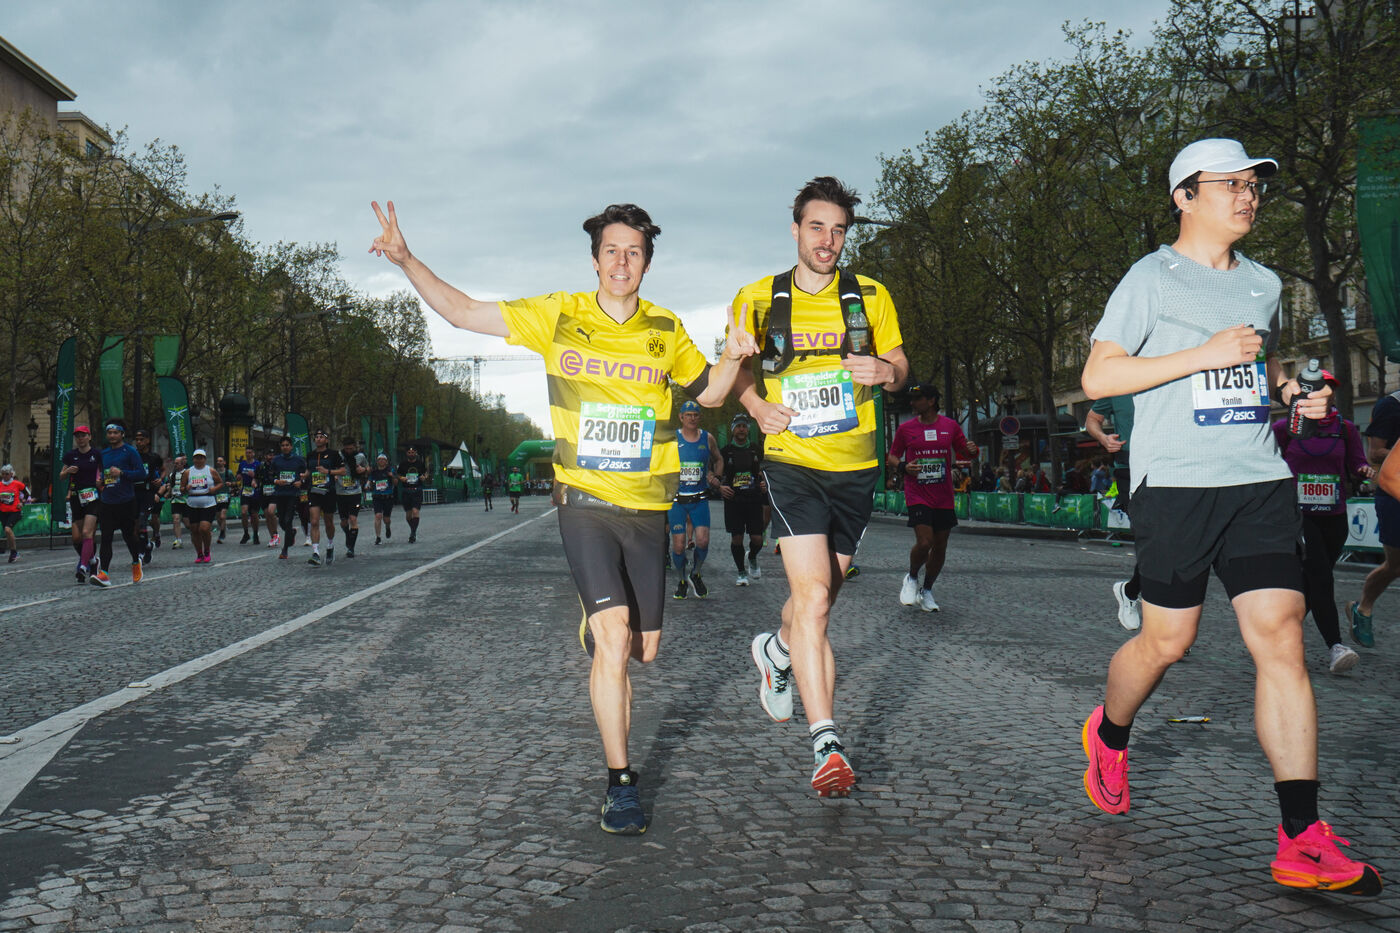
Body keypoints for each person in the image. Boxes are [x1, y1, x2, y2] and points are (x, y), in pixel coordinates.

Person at [370, 197, 754, 835]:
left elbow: (710, 392)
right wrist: (406, 259)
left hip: (648, 507)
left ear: (646, 263)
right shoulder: (559, 314)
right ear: (595, 260)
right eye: (611, 251)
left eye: (633, 252)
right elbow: (464, 312)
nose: (621, 262)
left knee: (643, 650)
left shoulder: (665, 328)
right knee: (614, 639)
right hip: (584, 502)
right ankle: (620, 783)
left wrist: (734, 355)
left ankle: (603, 623)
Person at [1079, 138, 1380, 895]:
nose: (1247, 196)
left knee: (1280, 636)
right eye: (1230, 184)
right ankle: (1109, 733)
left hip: (1257, 479)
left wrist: (1291, 395)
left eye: (1254, 185)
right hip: (1175, 484)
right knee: (1167, 641)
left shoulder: (1264, 283)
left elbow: (1251, 366)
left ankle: (1301, 835)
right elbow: (1100, 374)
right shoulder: (1150, 277)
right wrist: (1200, 354)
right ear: (1184, 196)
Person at [731, 176, 909, 798]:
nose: (827, 241)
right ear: (795, 230)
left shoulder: (870, 295)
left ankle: (777, 650)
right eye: (816, 228)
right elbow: (737, 372)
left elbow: (900, 366)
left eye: (838, 230)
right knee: (812, 600)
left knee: (819, 599)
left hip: (855, 468)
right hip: (792, 463)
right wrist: (757, 407)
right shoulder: (757, 298)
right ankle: (826, 742)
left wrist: (886, 371)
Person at [1271, 371, 1370, 674]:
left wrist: (1364, 471)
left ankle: (1275, 636)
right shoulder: (1284, 428)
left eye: (1327, 389)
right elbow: (1265, 463)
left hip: (1334, 516)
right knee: (1321, 577)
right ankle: (1335, 646)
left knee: (1312, 581)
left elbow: (1356, 463)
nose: (1321, 393)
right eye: (1314, 389)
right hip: (1298, 516)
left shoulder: (1345, 428)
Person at [888, 384, 978, 612]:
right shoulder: (906, 429)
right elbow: (892, 456)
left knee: (940, 546)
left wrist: (972, 450)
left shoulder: (950, 426)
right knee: (925, 542)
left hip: (943, 495)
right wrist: (903, 467)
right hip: (917, 492)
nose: (912, 403)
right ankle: (911, 577)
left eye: (917, 398)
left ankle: (926, 590)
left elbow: (964, 451)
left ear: (931, 401)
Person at [1345, 384, 1400, 648]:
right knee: (1396, 565)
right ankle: (1363, 607)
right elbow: (1375, 453)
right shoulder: (1391, 406)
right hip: (1392, 494)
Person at [1086, 396, 1144, 631]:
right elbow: (1091, 419)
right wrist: (1103, 438)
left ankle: (1131, 591)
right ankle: (1166, 626)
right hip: (1129, 469)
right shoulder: (1118, 386)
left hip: (1167, 466)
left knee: (1173, 542)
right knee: (1151, 538)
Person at [668, 399, 722, 599]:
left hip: (699, 499)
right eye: (688, 415)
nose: (692, 418)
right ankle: (682, 580)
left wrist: (717, 477)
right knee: (679, 545)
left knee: (703, 540)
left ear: (700, 417)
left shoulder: (707, 438)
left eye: (695, 415)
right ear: (681, 417)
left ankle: (696, 573)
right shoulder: (673, 439)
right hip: (677, 500)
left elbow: (718, 459)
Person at [94, 421, 147, 586]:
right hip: (107, 500)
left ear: (122, 434)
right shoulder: (103, 454)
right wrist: (101, 481)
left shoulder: (130, 451)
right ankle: (104, 573)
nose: (112, 435)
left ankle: (136, 562)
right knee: (106, 537)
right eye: (109, 433)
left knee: (128, 536)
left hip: (126, 500)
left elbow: (141, 473)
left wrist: (122, 473)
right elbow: (103, 475)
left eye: (115, 433)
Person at [720, 412, 766, 586]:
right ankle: (741, 572)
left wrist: (765, 483)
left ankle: (752, 557)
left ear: (748, 429)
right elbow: (716, 472)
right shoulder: (725, 452)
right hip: (734, 501)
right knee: (737, 538)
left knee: (757, 539)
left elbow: (766, 470)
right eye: (738, 426)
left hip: (753, 499)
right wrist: (720, 487)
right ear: (733, 430)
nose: (741, 429)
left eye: (744, 427)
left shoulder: (756, 449)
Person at [59, 425, 102, 583]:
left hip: (93, 497)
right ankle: (93, 561)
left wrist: (101, 481)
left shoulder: (96, 454)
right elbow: (61, 476)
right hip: (76, 497)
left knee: (86, 532)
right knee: (77, 538)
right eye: (77, 436)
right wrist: (67, 471)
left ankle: (83, 567)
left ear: (89, 437)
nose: (80, 438)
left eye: (83, 435)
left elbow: (104, 472)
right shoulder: (71, 455)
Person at [306, 429, 345, 566]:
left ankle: (330, 544)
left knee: (328, 521)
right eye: (316, 437)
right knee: (314, 521)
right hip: (314, 491)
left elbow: (343, 471)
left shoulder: (334, 454)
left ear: (326, 440)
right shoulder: (310, 455)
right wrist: (304, 476)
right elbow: (308, 470)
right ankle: (315, 552)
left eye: (321, 437)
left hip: (328, 491)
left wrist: (327, 471)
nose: (318, 439)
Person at [181, 448, 224, 564]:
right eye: (196, 458)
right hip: (192, 503)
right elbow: (182, 489)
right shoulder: (188, 472)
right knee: (194, 530)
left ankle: (207, 550)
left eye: (201, 458)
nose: (198, 460)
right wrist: (186, 488)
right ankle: (199, 553)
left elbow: (220, 483)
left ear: (204, 459)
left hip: (208, 503)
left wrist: (214, 489)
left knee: (204, 528)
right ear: (193, 459)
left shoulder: (210, 470)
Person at [268, 437, 306, 559]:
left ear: (291, 446)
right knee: (282, 522)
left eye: (287, 445)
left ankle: (285, 550)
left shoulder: (299, 460)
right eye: (283, 445)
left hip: (293, 494)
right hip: (280, 493)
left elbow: (306, 474)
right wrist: (276, 480)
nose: (285, 447)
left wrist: (301, 482)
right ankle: (291, 532)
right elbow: (270, 474)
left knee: (288, 520)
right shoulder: (276, 460)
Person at [132, 429, 164, 561]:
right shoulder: (132, 455)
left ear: (148, 441)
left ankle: (140, 552)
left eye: (142, 440)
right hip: (134, 492)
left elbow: (163, 469)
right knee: (134, 527)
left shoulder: (153, 457)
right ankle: (147, 546)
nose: (139, 442)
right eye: (137, 440)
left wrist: (160, 479)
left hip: (148, 492)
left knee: (142, 520)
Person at [337, 437, 368, 558]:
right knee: (344, 521)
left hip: (355, 492)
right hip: (341, 493)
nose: (348, 451)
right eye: (346, 448)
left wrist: (363, 469)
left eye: (351, 448)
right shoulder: (338, 456)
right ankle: (348, 534)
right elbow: (332, 469)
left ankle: (351, 548)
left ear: (354, 447)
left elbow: (368, 468)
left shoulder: (360, 456)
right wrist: (335, 474)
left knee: (353, 519)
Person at [397, 446, 430, 542]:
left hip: (417, 489)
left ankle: (413, 533)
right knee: (408, 515)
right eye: (409, 452)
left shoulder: (420, 463)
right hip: (406, 490)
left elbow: (426, 473)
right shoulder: (403, 464)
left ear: (415, 453)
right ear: (406, 453)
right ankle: (413, 529)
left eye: (413, 452)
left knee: (415, 511)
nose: (411, 454)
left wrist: (424, 477)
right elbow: (398, 474)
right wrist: (401, 478)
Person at [0, 464, 30, 562]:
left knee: (7, 529)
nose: (5, 476)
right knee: (7, 532)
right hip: (3, 512)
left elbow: (27, 493)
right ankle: (13, 552)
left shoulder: (17, 484)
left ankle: (14, 552)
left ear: (11, 474)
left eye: (7, 474)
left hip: (15, 511)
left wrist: (22, 503)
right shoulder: (0, 485)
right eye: (3, 474)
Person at [160, 455, 189, 551]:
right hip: (175, 500)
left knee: (188, 523)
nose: (175, 465)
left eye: (177, 463)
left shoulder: (187, 473)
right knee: (176, 519)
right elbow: (170, 486)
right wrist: (168, 493)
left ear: (182, 464)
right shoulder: (172, 475)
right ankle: (178, 540)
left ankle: (197, 534)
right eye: (175, 463)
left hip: (186, 501)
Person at [236, 446, 263, 545]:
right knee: (244, 512)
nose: (248, 454)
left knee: (254, 514)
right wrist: (238, 477)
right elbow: (238, 475)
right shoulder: (242, 464)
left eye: (250, 452)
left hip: (255, 491)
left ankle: (255, 534)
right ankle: (246, 533)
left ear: (253, 454)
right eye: (247, 452)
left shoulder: (258, 464)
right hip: (245, 490)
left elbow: (262, 477)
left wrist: (254, 476)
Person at [369, 454, 397, 544]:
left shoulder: (390, 470)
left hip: (388, 497)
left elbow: (396, 483)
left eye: (383, 459)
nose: (381, 461)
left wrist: (392, 476)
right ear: (377, 462)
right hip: (377, 496)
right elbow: (370, 482)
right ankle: (378, 537)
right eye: (379, 460)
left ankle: (387, 526)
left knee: (386, 519)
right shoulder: (374, 471)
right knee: (378, 516)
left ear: (386, 461)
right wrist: (369, 486)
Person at [259, 447, 281, 549]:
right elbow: (256, 478)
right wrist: (254, 482)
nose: (271, 457)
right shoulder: (261, 467)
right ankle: (272, 537)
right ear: (265, 456)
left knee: (271, 512)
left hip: (274, 492)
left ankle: (276, 533)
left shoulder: (278, 466)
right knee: (267, 515)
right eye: (269, 455)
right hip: (264, 493)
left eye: (273, 455)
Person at [213, 455, 235, 544]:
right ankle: (223, 528)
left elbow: (234, 483)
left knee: (222, 515)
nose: (219, 462)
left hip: (226, 496)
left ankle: (222, 533)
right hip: (216, 496)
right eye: (218, 461)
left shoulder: (228, 472)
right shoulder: (214, 472)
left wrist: (231, 484)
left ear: (224, 462)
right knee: (218, 517)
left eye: (221, 461)